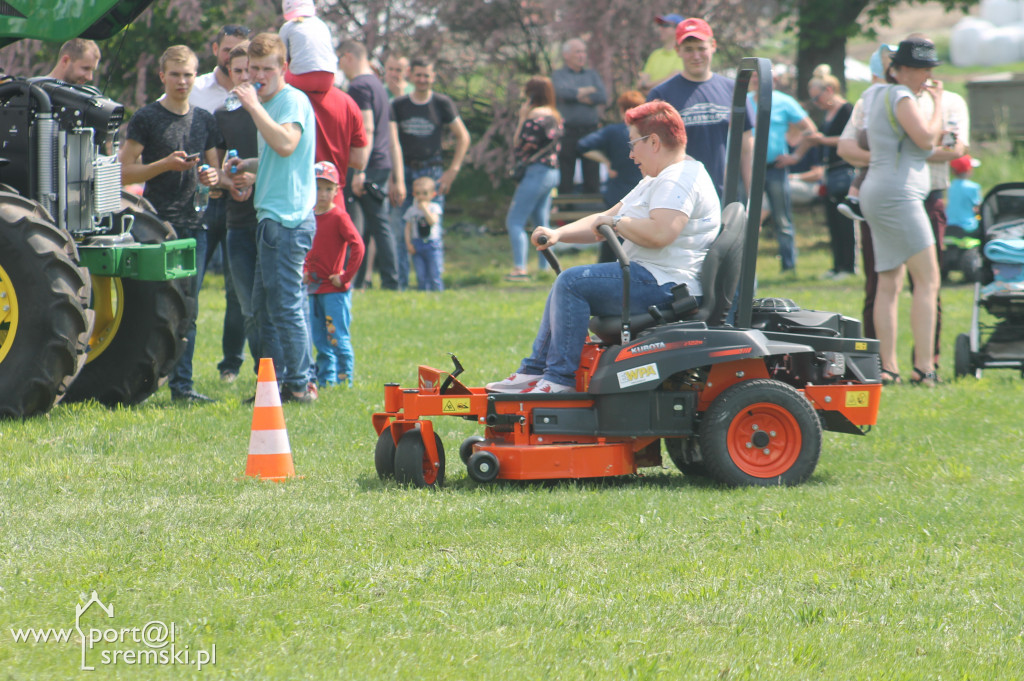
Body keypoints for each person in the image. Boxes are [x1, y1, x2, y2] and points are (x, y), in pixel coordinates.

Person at [485, 101, 721, 394]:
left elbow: (661, 233)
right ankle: (535, 372)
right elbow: (603, 221)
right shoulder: (659, 178)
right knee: (568, 281)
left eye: (634, 144)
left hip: (669, 284)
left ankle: (558, 380)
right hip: (655, 277)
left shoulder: (679, 179)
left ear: (655, 142)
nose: (631, 154)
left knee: (572, 283)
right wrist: (558, 234)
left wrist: (616, 221)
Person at [119, 45, 222, 403]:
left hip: (196, 225)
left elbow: (216, 171)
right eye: (175, 74)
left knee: (188, 310)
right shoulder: (147, 117)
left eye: (189, 74)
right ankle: (141, 383)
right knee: (152, 307)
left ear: (197, 76)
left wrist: (212, 177)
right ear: (162, 76)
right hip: (156, 225)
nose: (182, 81)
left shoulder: (205, 120)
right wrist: (164, 164)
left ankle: (183, 387)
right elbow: (123, 171)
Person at [224, 33, 319, 403]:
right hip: (271, 220)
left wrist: (253, 107)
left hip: (288, 222)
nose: (258, 75)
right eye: (253, 69)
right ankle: (276, 385)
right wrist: (247, 165)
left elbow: (286, 143)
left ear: (284, 68)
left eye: (266, 68)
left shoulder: (290, 100)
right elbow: (282, 160)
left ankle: (299, 384)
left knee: (285, 307)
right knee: (264, 309)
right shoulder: (270, 103)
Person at [859, 38, 945, 388]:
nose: (928, 75)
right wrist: (937, 104)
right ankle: (925, 369)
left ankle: (888, 367)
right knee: (929, 280)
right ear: (902, 69)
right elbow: (926, 140)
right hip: (899, 196)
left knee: (889, 280)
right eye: (924, 68)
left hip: (877, 192)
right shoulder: (900, 96)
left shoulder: (874, 93)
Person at [190, 24, 253, 384]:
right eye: (228, 52)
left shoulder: (261, 98)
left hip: (239, 202)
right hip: (202, 197)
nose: (233, 60)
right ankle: (181, 368)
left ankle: (231, 363)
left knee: (236, 288)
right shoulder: (197, 89)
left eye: (240, 55)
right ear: (217, 50)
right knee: (192, 285)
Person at [216, 41, 280, 377]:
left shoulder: (275, 110)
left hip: (270, 219)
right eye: (239, 71)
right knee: (248, 306)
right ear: (229, 73)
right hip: (238, 220)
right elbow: (220, 167)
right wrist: (229, 178)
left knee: (275, 304)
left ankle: (283, 373)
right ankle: (262, 374)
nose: (246, 77)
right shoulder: (222, 115)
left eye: (251, 70)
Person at [647, 17, 753, 202]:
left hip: (726, 197)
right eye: (688, 49)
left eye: (701, 48)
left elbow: (747, 149)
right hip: (678, 200)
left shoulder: (734, 89)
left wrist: (754, 199)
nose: (696, 56)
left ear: (713, 46)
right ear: (678, 50)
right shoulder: (661, 95)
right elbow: (650, 151)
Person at [389, 56, 471, 289]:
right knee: (400, 228)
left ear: (433, 77)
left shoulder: (442, 103)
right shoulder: (398, 105)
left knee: (433, 229)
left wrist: (452, 171)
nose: (423, 80)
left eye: (427, 75)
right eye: (418, 75)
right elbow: (393, 143)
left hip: (432, 172)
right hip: (405, 170)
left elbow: (463, 137)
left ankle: (435, 284)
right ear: (410, 76)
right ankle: (400, 284)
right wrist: (397, 179)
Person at [338, 39, 403, 290]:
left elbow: (367, 127)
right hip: (380, 162)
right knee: (369, 226)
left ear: (349, 57)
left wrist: (360, 170)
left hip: (368, 164)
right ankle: (362, 280)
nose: (340, 67)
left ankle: (390, 282)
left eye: (340, 60)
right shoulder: (377, 83)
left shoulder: (360, 86)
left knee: (374, 224)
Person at [747, 68, 819, 274]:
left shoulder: (784, 101)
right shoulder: (743, 101)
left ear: (774, 80)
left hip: (775, 169)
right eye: (752, 77)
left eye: (759, 77)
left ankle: (789, 266)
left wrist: (795, 156)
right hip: (748, 169)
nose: (755, 80)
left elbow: (810, 129)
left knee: (782, 219)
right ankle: (743, 266)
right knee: (744, 217)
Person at [305, 161, 365, 387]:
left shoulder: (339, 217)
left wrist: (345, 276)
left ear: (337, 190)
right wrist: (303, 270)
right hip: (312, 289)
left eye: (328, 189)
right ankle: (325, 381)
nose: (322, 194)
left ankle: (345, 381)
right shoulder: (307, 216)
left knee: (337, 337)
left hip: (334, 291)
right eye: (318, 188)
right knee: (318, 339)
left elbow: (358, 245)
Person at [504, 76, 562, 280]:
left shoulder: (534, 116)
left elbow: (519, 143)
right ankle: (546, 269)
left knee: (514, 221)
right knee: (541, 222)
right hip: (553, 172)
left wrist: (522, 118)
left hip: (537, 172)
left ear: (531, 94)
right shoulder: (554, 115)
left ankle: (520, 269)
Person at [578, 90, 646, 263]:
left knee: (609, 239)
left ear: (622, 109)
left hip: (617, 193)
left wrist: (606, 161)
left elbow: (582, 145)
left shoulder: (612, 131)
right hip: (643, 192)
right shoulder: (648, 135)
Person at [807, 64, 856, 279]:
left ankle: (849, 266)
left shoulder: (847, 110)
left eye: (817, 98)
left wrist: (822, 140)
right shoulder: (827, 115)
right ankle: (837, 265)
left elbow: (849, 139)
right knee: (833, 220)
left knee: (845, 221)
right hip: (830, 172)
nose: (816, 104)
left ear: (828, 91)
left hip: (845, 171)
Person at [552, 39, 607, 197]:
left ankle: (592, 213)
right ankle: (565, 214)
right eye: (578, 52)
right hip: (567, 132)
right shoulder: (559, 75)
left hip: (590, 131)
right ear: (566, 55)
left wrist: (575, 95)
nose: (582, 55)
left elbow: (602, 96)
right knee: (565, 174)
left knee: (592, 172)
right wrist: (587, 91)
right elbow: (562, 93)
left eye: (584, 51)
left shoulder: (592, 74)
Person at [279, 0, 337, 94]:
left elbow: (281, 59)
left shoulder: (288, 27)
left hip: (303, 80)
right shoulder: (322, 25)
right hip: (328, 80)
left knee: (277, 74)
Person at [404, 176, 445, 291]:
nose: (421, 196)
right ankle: (423, 293)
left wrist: (425, 209)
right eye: (418, 193)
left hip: (432, 244)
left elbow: (432, 221)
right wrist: (408, 244)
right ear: (413, 194)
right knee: (420, 274)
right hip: (417, 243)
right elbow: (407, 228)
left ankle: (437, 292)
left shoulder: (435, 208)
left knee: (434, 272)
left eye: (425, 193)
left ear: (433, 194)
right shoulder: (411, 211)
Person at [638, 14, 684, 93]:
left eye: (665, 25)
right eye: (660, 25)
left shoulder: (683, 54)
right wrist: (647, 86)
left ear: (677, 29)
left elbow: (673, 79)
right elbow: (641, 83)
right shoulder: (655, 54)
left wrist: (648, 86)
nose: (660, 29)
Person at [946, 154, 982, 235]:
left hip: (949, 224)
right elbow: (978, 207)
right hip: (967, 225)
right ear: (969, 170)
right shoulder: (973, 187)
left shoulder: (950, 186)